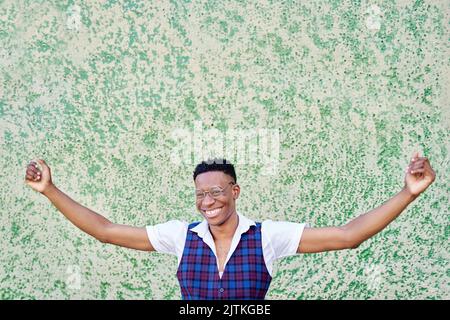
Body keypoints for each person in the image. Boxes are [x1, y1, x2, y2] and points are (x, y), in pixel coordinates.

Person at [24, 152, 435, 299]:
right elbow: (107, 231)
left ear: (235, 192)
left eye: (217, 193)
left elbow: (348, 237)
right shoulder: (180, 237)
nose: (208, 203)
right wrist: (50, 189)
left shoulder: (267, 237)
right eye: (201, 195)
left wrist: (408, 193)